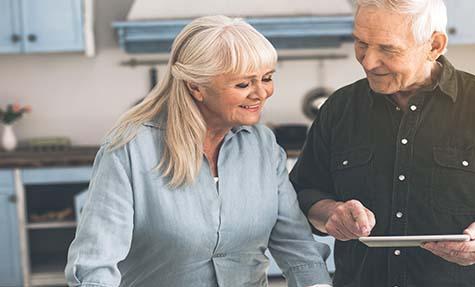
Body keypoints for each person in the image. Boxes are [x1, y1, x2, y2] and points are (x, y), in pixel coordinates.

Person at [289, 0, 475, 286]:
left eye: (387, 49)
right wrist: (330, 214)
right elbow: (304, 191)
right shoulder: (339, 109)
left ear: (434, 46)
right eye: (361, 42)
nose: (367, 61)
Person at [65, 15, 332, 287]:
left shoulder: (263, 146)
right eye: (243, 84)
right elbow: (95, 265)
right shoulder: (131, 150)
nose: (261, 93)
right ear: (196, 87)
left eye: (266, 78)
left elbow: (297, 245)